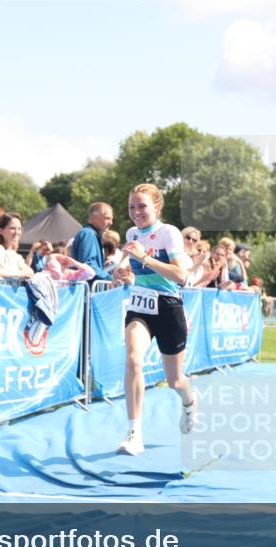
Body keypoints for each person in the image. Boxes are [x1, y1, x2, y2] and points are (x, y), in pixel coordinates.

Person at [112, 183, 197, 456]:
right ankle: (134, 433)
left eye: (142, 206)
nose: (136, 212)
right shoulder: (132, 233)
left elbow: (181, 276)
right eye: (131, 207)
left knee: (174, 381)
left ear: (156, 207)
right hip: (140, 306)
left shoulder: (168, 233)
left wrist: (144, 258)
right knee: (134, 359)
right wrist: (126, 274)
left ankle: (189, 401)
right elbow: (135, 273)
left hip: (169, 307)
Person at [70, 202, 114, 283]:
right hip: (86, 290)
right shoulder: (89, 234)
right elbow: (88, 265)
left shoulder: (90, 234)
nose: (111, 222)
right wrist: (110, 278)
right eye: (107, 218)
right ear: (94, 218)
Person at [0, 213, 34, 279]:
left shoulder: (15, 255)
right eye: (12, 228)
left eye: (19, 228)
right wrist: (20, 274)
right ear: (0, 231)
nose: (17, 232)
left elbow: (29, 272)